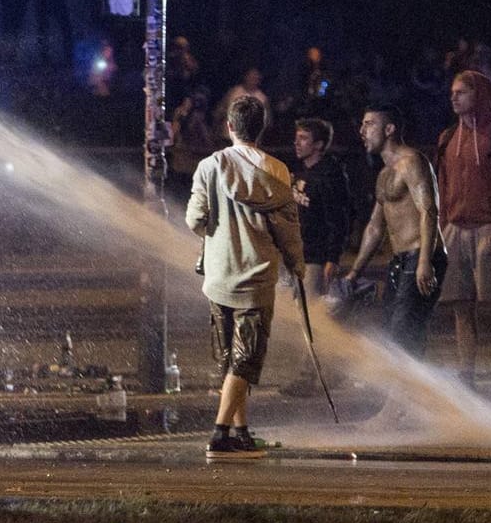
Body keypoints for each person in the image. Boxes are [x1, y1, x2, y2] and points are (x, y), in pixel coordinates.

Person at [185, 95, 303, 461]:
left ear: (230, 127)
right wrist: (297, 267)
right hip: (257, 276)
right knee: (246, 360)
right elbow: (289, 231)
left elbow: (194, 220)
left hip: (220, 275)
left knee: (229, 360)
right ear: (262, 128)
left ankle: (240, 431)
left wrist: (218, 228)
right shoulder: (279, 172)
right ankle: (221, 434)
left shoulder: (210, 166)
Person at [435, 70, 491, 398]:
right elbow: (442, 191)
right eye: (453, 91)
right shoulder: (447, 138)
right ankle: (466, 376)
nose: (454, 97)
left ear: (479, 95)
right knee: (461, 306)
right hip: (456, 229)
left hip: (489, 227)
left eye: (462, 91)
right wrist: (442, 228)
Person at [345, 104, 445, 357]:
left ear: (389, 129)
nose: (362, 131)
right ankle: (408, 391)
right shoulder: (383, 175)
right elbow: (374, 228)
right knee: (392, 331)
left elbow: (429, 211)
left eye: (369, 124)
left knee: (403, 334)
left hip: (420, 255)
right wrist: (354, 273)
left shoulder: (412, 162)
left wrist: (424, 261)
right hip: (400, 260)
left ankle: (407, 393)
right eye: (362, 124)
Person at [291, 118, 352, 297]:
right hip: (297, 254)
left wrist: (332, 259)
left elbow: (339, 220)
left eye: (303, 138)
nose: (297, 142)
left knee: (311, 313)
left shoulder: (329, 176)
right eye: (296, 137)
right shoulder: (302, 171)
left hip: (316, 258)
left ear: (318, 144)